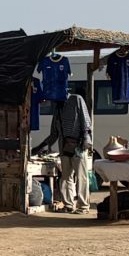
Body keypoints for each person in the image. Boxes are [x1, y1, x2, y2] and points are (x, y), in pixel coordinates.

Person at [52, 81, 95, 213]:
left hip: (78, 146)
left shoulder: (76, 99)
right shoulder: (58, 107)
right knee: (65, 178)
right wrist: (42, 146)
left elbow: (86, 122)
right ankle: (68, 205)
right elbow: (54, 132)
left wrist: (86, 140)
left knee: (81, 178)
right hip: (64, 147)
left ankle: (83, 207)